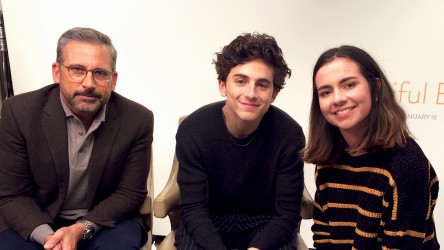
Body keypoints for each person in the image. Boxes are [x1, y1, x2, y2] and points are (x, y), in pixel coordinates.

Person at [0, 27, 154, 250]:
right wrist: (48, 238)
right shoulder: (19, 112)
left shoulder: (137, 119)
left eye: (100, 73)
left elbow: (129, 193)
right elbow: (13, 194)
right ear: (56, 72)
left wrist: (80, 229)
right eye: (77, 69)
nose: (89, 83)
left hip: (103, 220)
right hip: (35, 216)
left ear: (113, 80)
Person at [175, 32, 305, 250]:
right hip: (208, 220)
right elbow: (193, 208)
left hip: (265, 223)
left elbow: (287, 214)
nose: (251, 93)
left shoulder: (289, 135)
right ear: (223, 86)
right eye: (241, 81)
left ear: (274, 94)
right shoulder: (193, 130)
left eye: (262, 84)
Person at [304, 45, 440, 249]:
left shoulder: (407, 165)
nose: (338, 98)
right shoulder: (328, 160)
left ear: (375, 88)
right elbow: (324, 239)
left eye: (349, 85)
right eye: (326, 92)